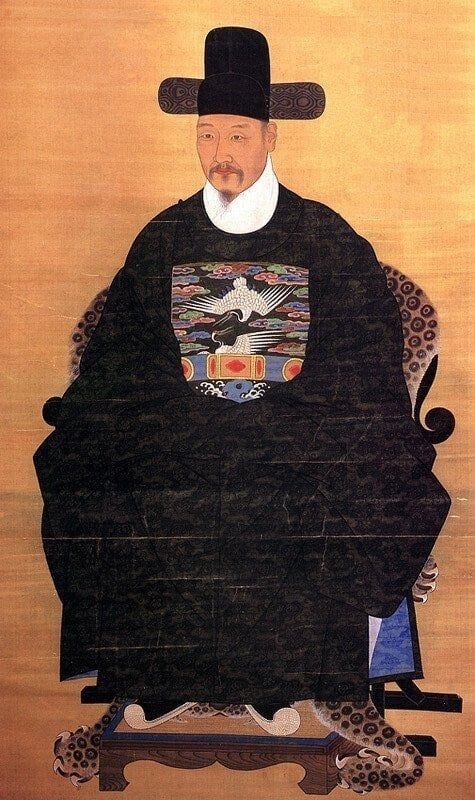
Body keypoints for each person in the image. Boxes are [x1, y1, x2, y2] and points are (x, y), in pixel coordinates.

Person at [33, 27, 450, 728]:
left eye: (236, 135)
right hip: (183, 444)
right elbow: (122, 364)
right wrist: (165, 421)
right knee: (94, 465)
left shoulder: (325, 238)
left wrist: (286, 423)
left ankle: (287, 677)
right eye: (206, 136)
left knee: (324, 486)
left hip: (295, 446)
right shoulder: (164, 238)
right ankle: (160, 677)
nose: (220, 153)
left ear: (269, 137)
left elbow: (361, 362)